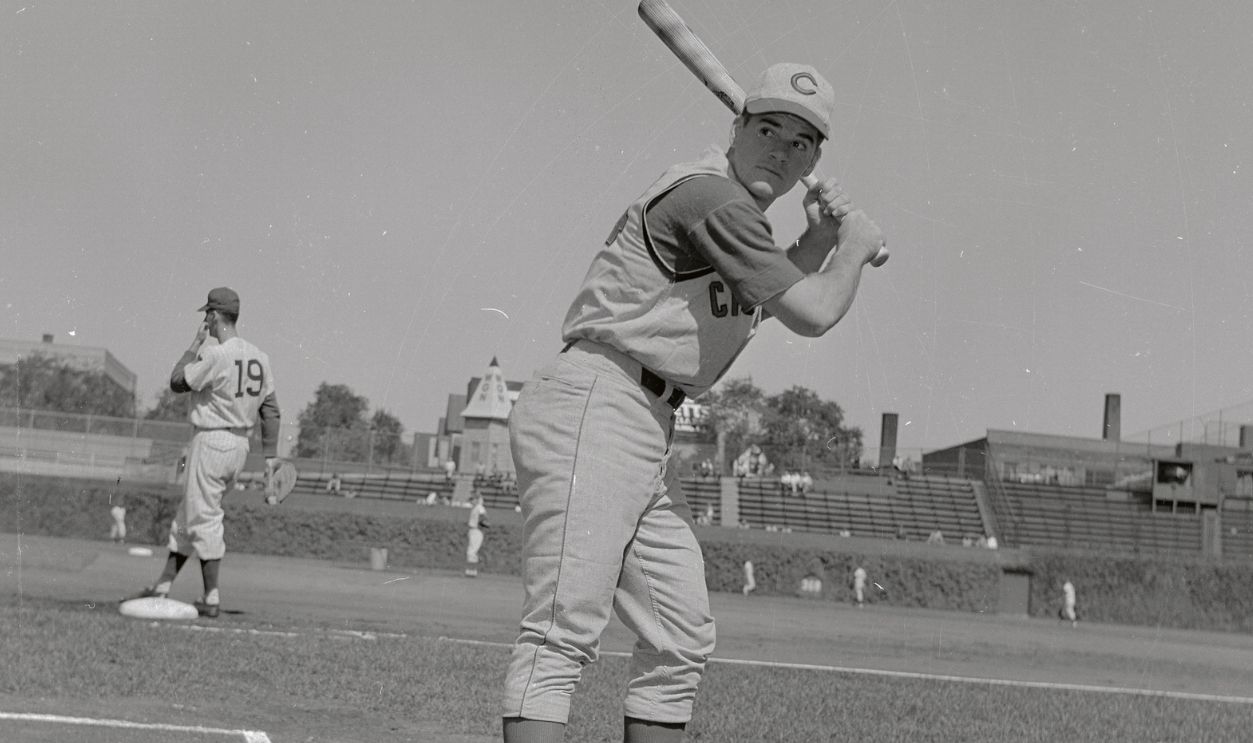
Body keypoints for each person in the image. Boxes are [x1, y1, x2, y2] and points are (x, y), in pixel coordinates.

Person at [500, 61, 885, 742]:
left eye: (800, 143)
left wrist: (821, 239)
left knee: (679, 635)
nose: (780, 149)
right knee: (563, 628)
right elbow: (813, 312)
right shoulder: (712, 196)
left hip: (642, 419)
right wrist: (850, 250)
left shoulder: (737, 218)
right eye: (767, 128)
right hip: (597, 398)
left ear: (813, 159)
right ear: (736, 127)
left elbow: (750, 299)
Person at [124, 287, 281, 619]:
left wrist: (194, 345)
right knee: (188, 517)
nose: (206, 322)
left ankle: (211, 597)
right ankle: (163, 586)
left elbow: (177, 382)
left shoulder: (215, 354)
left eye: (207, 315)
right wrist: (270, 458)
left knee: (204, 518)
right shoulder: (260, 357)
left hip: (211, 441)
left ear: (214, 315)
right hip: (239, 446)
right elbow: (271, 411)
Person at [465, 495, 489, 577]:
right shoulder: (475, 508)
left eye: (473, 499)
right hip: (473, 530)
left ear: (477, 500)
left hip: (476, 530)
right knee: (471, 551)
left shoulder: (479, 507)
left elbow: (484, 516)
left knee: (471, 552)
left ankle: (471, 571)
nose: (471, 501)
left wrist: (481, 525)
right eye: (471, 499)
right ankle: (472, 571)